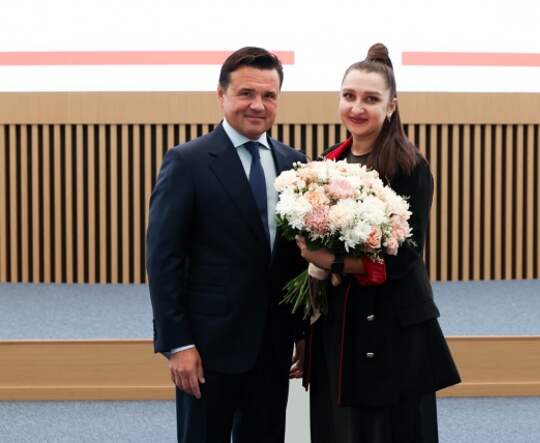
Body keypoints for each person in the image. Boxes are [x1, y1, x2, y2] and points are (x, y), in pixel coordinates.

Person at [297, 43, 461, 443]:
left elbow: (405, 259)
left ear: (391, 107)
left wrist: (333, 262)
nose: (357, 107)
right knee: (339, 428)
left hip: (390, 326)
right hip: (338, 321)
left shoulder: (408, 166)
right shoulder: (328, 161)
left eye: (370, 99)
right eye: (349, 96)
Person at [146, 47, 307, 443]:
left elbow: (296, 263)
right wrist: (178, 344)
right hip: (207, 350)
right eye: (246, 93)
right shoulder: (187, 162)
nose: (258, 105)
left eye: (269, 95)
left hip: (273, 348)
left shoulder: (295, 164)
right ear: (221, 95)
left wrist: (304, 333)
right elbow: (164, 260)